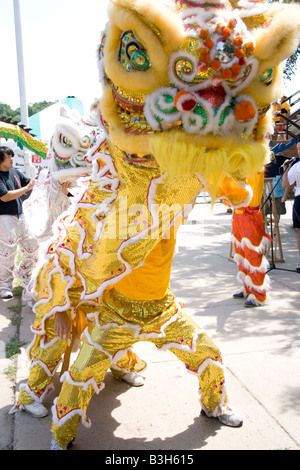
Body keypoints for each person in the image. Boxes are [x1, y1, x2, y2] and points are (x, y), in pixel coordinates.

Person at [0, 146, 39, 299]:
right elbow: (5, 196)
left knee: (32, 244)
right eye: (8, 156)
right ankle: (4, 286)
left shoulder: (15, 172)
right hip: (4, 218)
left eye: (12, 156)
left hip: (21, 215)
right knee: (7, 252)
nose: (12, 159)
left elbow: (30, 183)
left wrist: (41, 179)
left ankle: (25, 273)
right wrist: (26, 188)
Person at [231, 173, 272, 307]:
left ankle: (259, 295)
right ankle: (248, 288)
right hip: (238, 216)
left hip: (250, 215)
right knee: (241, 255)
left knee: (253, 256)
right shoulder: (235, 166)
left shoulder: (254, 164)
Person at [282, 141, 300, 272]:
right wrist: (286, 169)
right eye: (298, 149)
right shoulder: (297, 166)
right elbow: (287, 184)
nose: (299, 151)